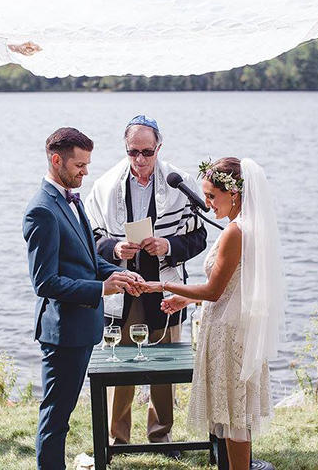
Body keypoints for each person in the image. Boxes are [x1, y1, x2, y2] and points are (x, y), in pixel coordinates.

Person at [141, 157, 285, 470]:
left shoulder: (235, 232)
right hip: (237, 327)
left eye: (211, 196)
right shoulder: (251, 227)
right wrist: (186, 301)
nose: (206, 203)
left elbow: (214, 291)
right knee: (237, 416)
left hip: (229, 335)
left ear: (233, 193)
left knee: (234, 417)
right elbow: (234, 287)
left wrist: (162, 285)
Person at [23, 127, 143, 470]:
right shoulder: (42, 211)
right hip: (62, 332)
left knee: (63, 411)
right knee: (56, 415)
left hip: (81, 327)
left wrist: (116, 273)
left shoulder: (71, 200)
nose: (85, 171)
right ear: (56, 160)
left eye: (88, 164)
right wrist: (101, 289)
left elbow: (87, 258)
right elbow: (45, 282)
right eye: (79, 164)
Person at [85, 115, 207, 448]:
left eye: (147, 152)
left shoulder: (179, 183)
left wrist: (168, 246)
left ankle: (160, 436)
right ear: (125, 149)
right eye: (133, 151)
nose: (140, 159)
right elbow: (91, 239)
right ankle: (118, 439)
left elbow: (199, 237)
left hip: (165, 288)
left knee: (165, 366)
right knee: (120, 364)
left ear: (159, 148)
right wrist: (114, 248)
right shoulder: (106, 185)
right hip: (121, 289)